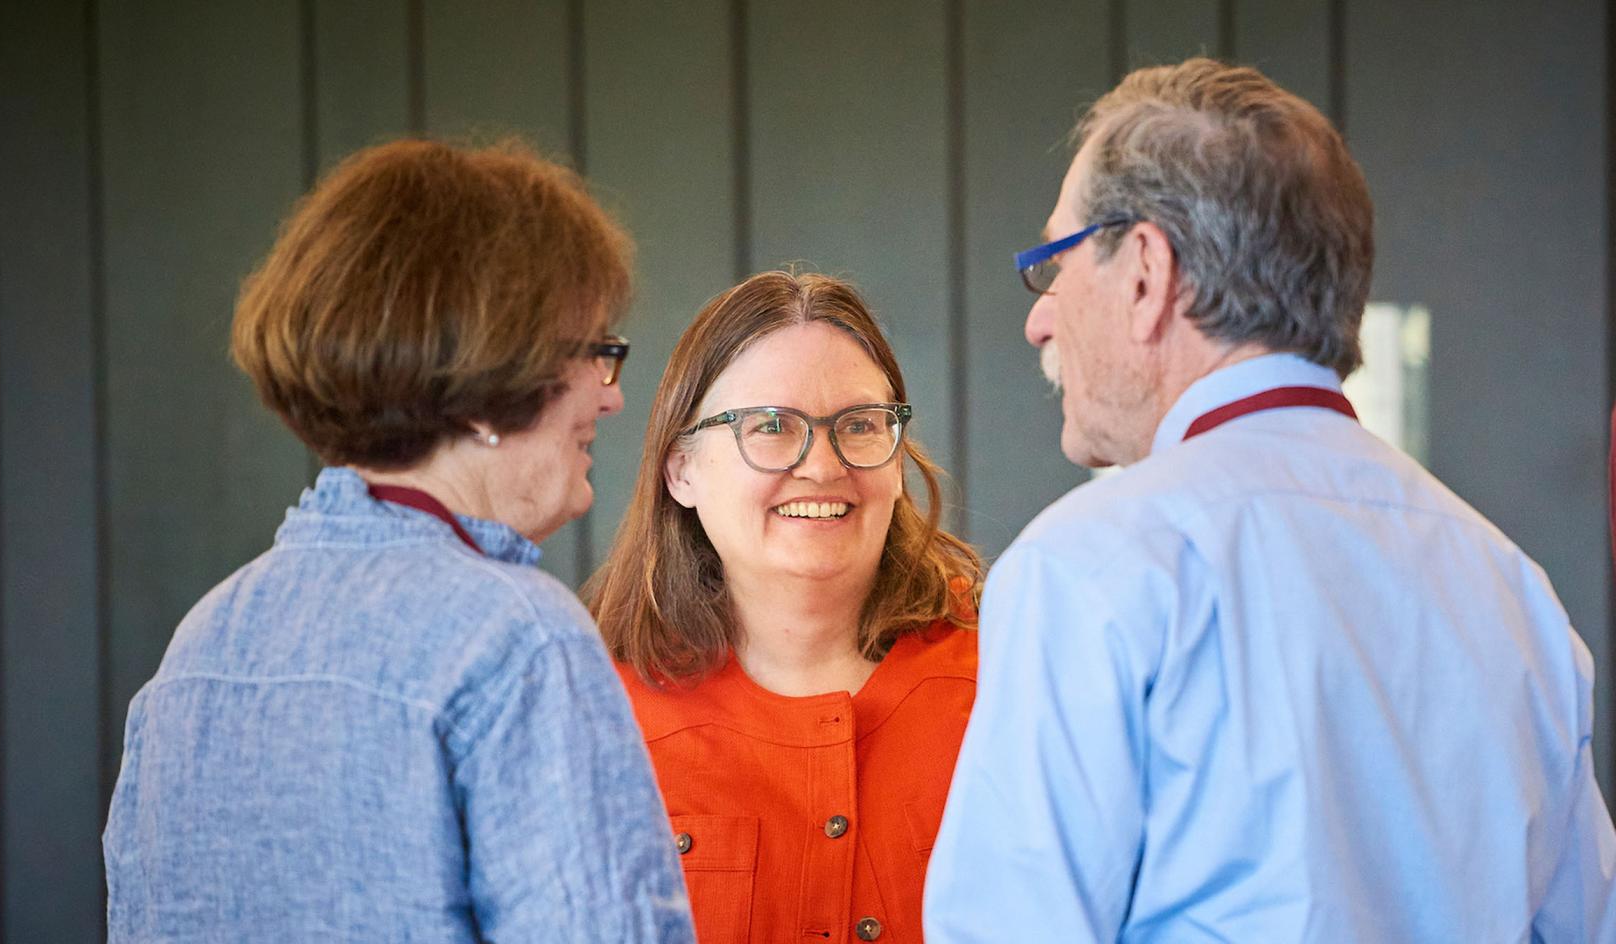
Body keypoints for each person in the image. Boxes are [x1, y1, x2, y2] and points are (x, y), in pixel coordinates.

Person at [924, 58, 1616, 942]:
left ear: (1144, 272)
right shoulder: (1512, 589)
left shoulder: (1089, 572)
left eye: (1053, 263)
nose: (1039, 317)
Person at [103, 139, 694, 942]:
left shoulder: (201, 645)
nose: (609, 394)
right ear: (489, 387)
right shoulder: (516, 638)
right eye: (593, 352)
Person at [586, 271, 982, 943]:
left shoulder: (1006, 687)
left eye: (859, 425)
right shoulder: (601, 717)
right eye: (771, 426)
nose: (823, 465)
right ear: (680, 470)